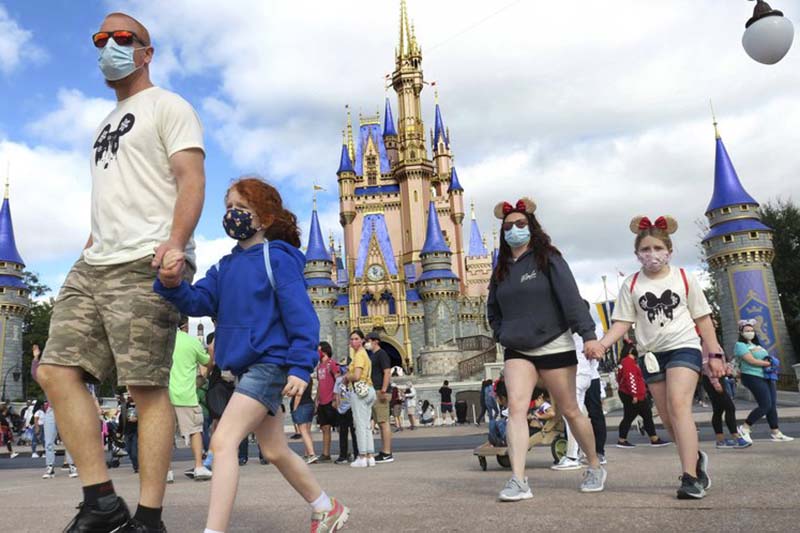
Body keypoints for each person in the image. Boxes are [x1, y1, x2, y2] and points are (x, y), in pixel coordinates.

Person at [36, 11, 207, 532]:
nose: (109, 45)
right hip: (95, 261)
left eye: (122, 38)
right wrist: (88, 248)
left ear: (146, 52)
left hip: (147, 260)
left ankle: (149, 519)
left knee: (145, 386)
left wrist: (177, 244)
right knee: (54, 371)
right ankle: (102, 502)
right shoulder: (102, 126)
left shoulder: (169, 105)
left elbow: (191, 177)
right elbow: (111, 198)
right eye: (100, 39)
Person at [154, 177, 348, 532]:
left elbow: (302, 317)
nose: (232, 215)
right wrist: (171, 284)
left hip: (270, 364)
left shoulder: (279, 260)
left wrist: (300, 368)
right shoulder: (225, 267)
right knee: (273, 450)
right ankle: (326, 506)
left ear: (264, 218)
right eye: (228, 208)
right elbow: (198, 302)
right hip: (245, 368)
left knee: (224, 441)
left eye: (241, 209)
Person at [590, 215, 726, 500]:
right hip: (651, 355)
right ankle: (696, 459)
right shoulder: (632, 284)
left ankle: (689, 477)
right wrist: (601, 344)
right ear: (637, 254)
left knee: (679, 407)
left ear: (669, 251)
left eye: (657, 248)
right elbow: (622, 323)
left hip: (683, 346)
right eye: (646, 249)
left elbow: (703, 319)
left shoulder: (685, 278)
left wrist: (713, 353)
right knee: (667, 418)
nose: (652, 254)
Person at [487, 197, 607, 501]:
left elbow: (570, 297)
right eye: (508, 226)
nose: (514, 230)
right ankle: (518, 479)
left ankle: (593, 464)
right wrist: (501, 333)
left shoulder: (548, 258)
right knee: (515, 409)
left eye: (520, 224)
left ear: (531, 227)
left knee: (569, 409)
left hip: (553, 342)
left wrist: (588, 335)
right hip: (517, 348)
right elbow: (493, 308)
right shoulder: (500, 269)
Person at [735, 320, 794, 443]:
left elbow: (764, 357)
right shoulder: (740, 345)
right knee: (765, 405)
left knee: (772, 405)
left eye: (751, 330)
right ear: (741, 332)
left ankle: (775, 432)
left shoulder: (758, 346)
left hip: (767, 376)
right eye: (747, 331)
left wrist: (770, 362)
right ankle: (745, 427)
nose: (750, 333)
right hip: (752, 376)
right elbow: (751, 360)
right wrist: (769, 363)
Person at [169, 320, 214, 481]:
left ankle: (166, 471)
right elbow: (208, 361)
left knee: (165, 434)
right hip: (186, 394)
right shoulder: (191, 341)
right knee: (195, 431)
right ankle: (199, 466)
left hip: (163, 395)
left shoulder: (161, 340)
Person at [614, 341, 670, 448]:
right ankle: (652, 438)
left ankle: (650, 438)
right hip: (634, 394)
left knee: (636, 416)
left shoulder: (624, 362)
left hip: (630, 393)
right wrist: (635, 394)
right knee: (641, 416)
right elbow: (631, 378)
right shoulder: (629, 362)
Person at [700, 337, 750, 449]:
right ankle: (736, 438)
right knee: (730, 407)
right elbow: (706, 363)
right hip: (713, 379)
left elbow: (719, 359)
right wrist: (715, 382)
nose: (716, 324)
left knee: (718, 410)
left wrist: (727, 369)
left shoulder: (713, 342)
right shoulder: (706, 343)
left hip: (719, 377)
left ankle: (720, 440)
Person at [342, 329, 375, 468]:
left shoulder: (359, 355)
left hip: (360, 390)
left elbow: (356, 376)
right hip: (369, 390)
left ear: (362, 340)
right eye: (351, 339)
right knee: (366, 425)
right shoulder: (364, 354)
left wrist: (345, 377)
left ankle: (362, 456)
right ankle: (370, 456)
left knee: (360, 425)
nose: (353, 341)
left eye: (356, 338)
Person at [366, 332, 394, 463]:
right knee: (380, 422)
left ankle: (387, 452)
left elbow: (387, 371)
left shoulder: (381, 354)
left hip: (380, 391)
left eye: (368, 340)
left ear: (375, 341)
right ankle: (384, 451)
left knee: (383, 422)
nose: (367, 343)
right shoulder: (373, 355)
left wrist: (383, 389)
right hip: (374, 390)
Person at [315, 341, 340, 463]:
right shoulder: (319, 366)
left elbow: (338, 380)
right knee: (325, 428)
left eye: (318, 350)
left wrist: (336, 397)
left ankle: (344, 451)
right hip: (322, 402)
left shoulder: (332, 364)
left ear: (324, 351)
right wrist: (316, 400)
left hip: (332, 400)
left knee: (340, 428)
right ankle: (326, 453)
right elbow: (320, 384)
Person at [333, 359, 359, 465]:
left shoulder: (354, 378)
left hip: (352, 408)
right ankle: (343, 455)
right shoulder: (338, 380)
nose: (343, 368)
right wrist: (336, 404)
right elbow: (337, 393)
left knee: (354, 433)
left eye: (345, 366)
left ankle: (357, 454)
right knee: (342, 433)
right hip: (342, 409)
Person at [291, 373, 318, 464]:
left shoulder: (299, 377)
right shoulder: (309, 378)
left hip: (301, 405)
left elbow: (299, 394)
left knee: (303, 431)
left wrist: (294, 409)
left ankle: (311, 454)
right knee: (307, 431)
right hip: (309, 403)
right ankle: (308, 454)